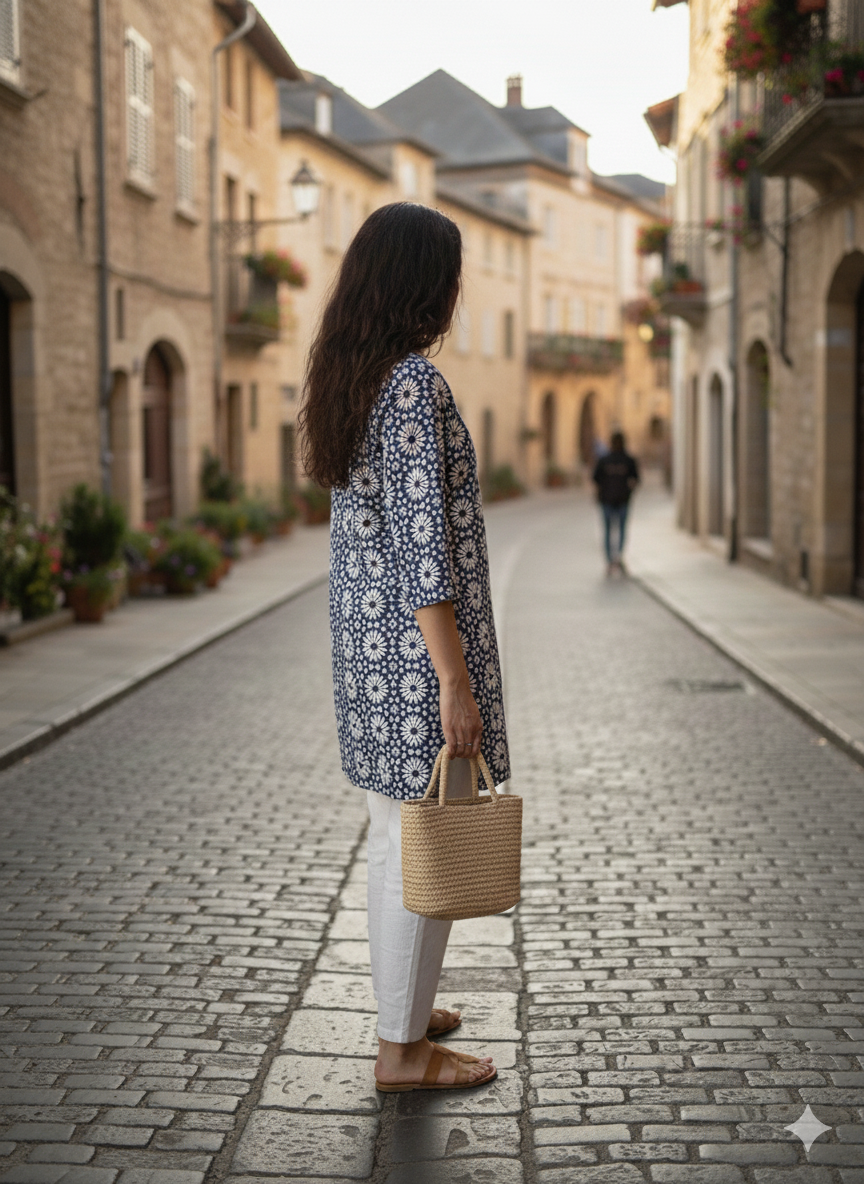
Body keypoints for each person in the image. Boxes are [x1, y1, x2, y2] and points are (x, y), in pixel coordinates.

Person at [299, 202, 509, 1093]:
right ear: (425, 281)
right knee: (423, 837)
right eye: (451, 273)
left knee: (397, 835)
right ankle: (402, 1052)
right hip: (415, 658)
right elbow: (426, 548)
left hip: (368, 652)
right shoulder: (414, 387)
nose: (458, 291)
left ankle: (406, 1010)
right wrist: (454, 680)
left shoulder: (355, 378)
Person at [592, 430, 639, 574]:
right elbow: (636, 480)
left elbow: (595, 479)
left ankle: (610, 560)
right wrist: (628, 492)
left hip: (607, 500)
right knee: (621, 530)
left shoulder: (604, 460)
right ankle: (617, 557)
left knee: (608, 531)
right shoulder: (628, 460)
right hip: (622, 500)